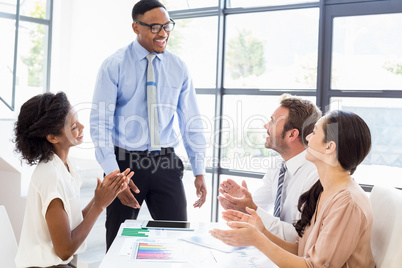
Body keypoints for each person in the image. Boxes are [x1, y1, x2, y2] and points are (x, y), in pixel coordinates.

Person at [90, 0, 207, 250]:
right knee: (118, 241)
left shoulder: (179, 67)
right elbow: (100, 124)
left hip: (166, 162)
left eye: (167, 26)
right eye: (155, 27)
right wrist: (114, 176)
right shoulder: (114, 65)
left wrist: (199, 170)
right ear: (136, 27)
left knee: (176, 238)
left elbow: (191, 121)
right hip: (125, 165)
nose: (163, 33)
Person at [211, 110, 375, 268]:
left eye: (314, 133)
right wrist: (261, 231)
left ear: (329, 147)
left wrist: (257, 240)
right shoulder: (323, 190)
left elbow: (314, 266)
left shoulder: (347, 203)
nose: (308, 138)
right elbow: (301, 252)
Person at [14, 92, 136, 267]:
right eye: (73, 126)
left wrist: (102, 196)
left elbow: (72, 226)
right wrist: (99, 206)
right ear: (52, 137)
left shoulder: (65, 166)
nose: (82, 126)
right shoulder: (50, 175)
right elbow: (64, 251)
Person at [218, 94, 321, 242]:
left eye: (273, 121)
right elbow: (258, 207)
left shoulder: (315, 174)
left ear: (292, 134)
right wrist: (241, 203)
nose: (266, 126)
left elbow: (300, 238)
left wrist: (252, 209)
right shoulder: (279, 166)